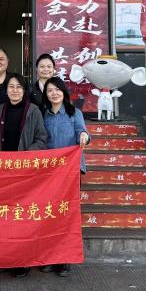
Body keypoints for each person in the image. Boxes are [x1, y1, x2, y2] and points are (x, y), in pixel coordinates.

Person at [0, 73, 47, 278]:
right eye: (11, 87)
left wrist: (24, 157)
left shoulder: (33, 111)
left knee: (21, 217)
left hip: (24, 173)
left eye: (18, 87)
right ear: (6, 90)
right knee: (3, 217)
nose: (14, 90)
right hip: (2, 173)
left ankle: (21, 261)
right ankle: (4, 258)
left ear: (24, 91)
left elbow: (42, 139)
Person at [40, 76, 90, 277]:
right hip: (48, 174)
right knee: (48, 216)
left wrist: (84, 136)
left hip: (70, 173)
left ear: (64, 92)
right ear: (46, 94)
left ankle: (64, 259)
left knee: (66, 216)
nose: (54, 93)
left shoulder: (74, 113)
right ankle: (49, 258)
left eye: (57, 89)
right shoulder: (42, 114)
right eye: (50, 90)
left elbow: (82, 132)